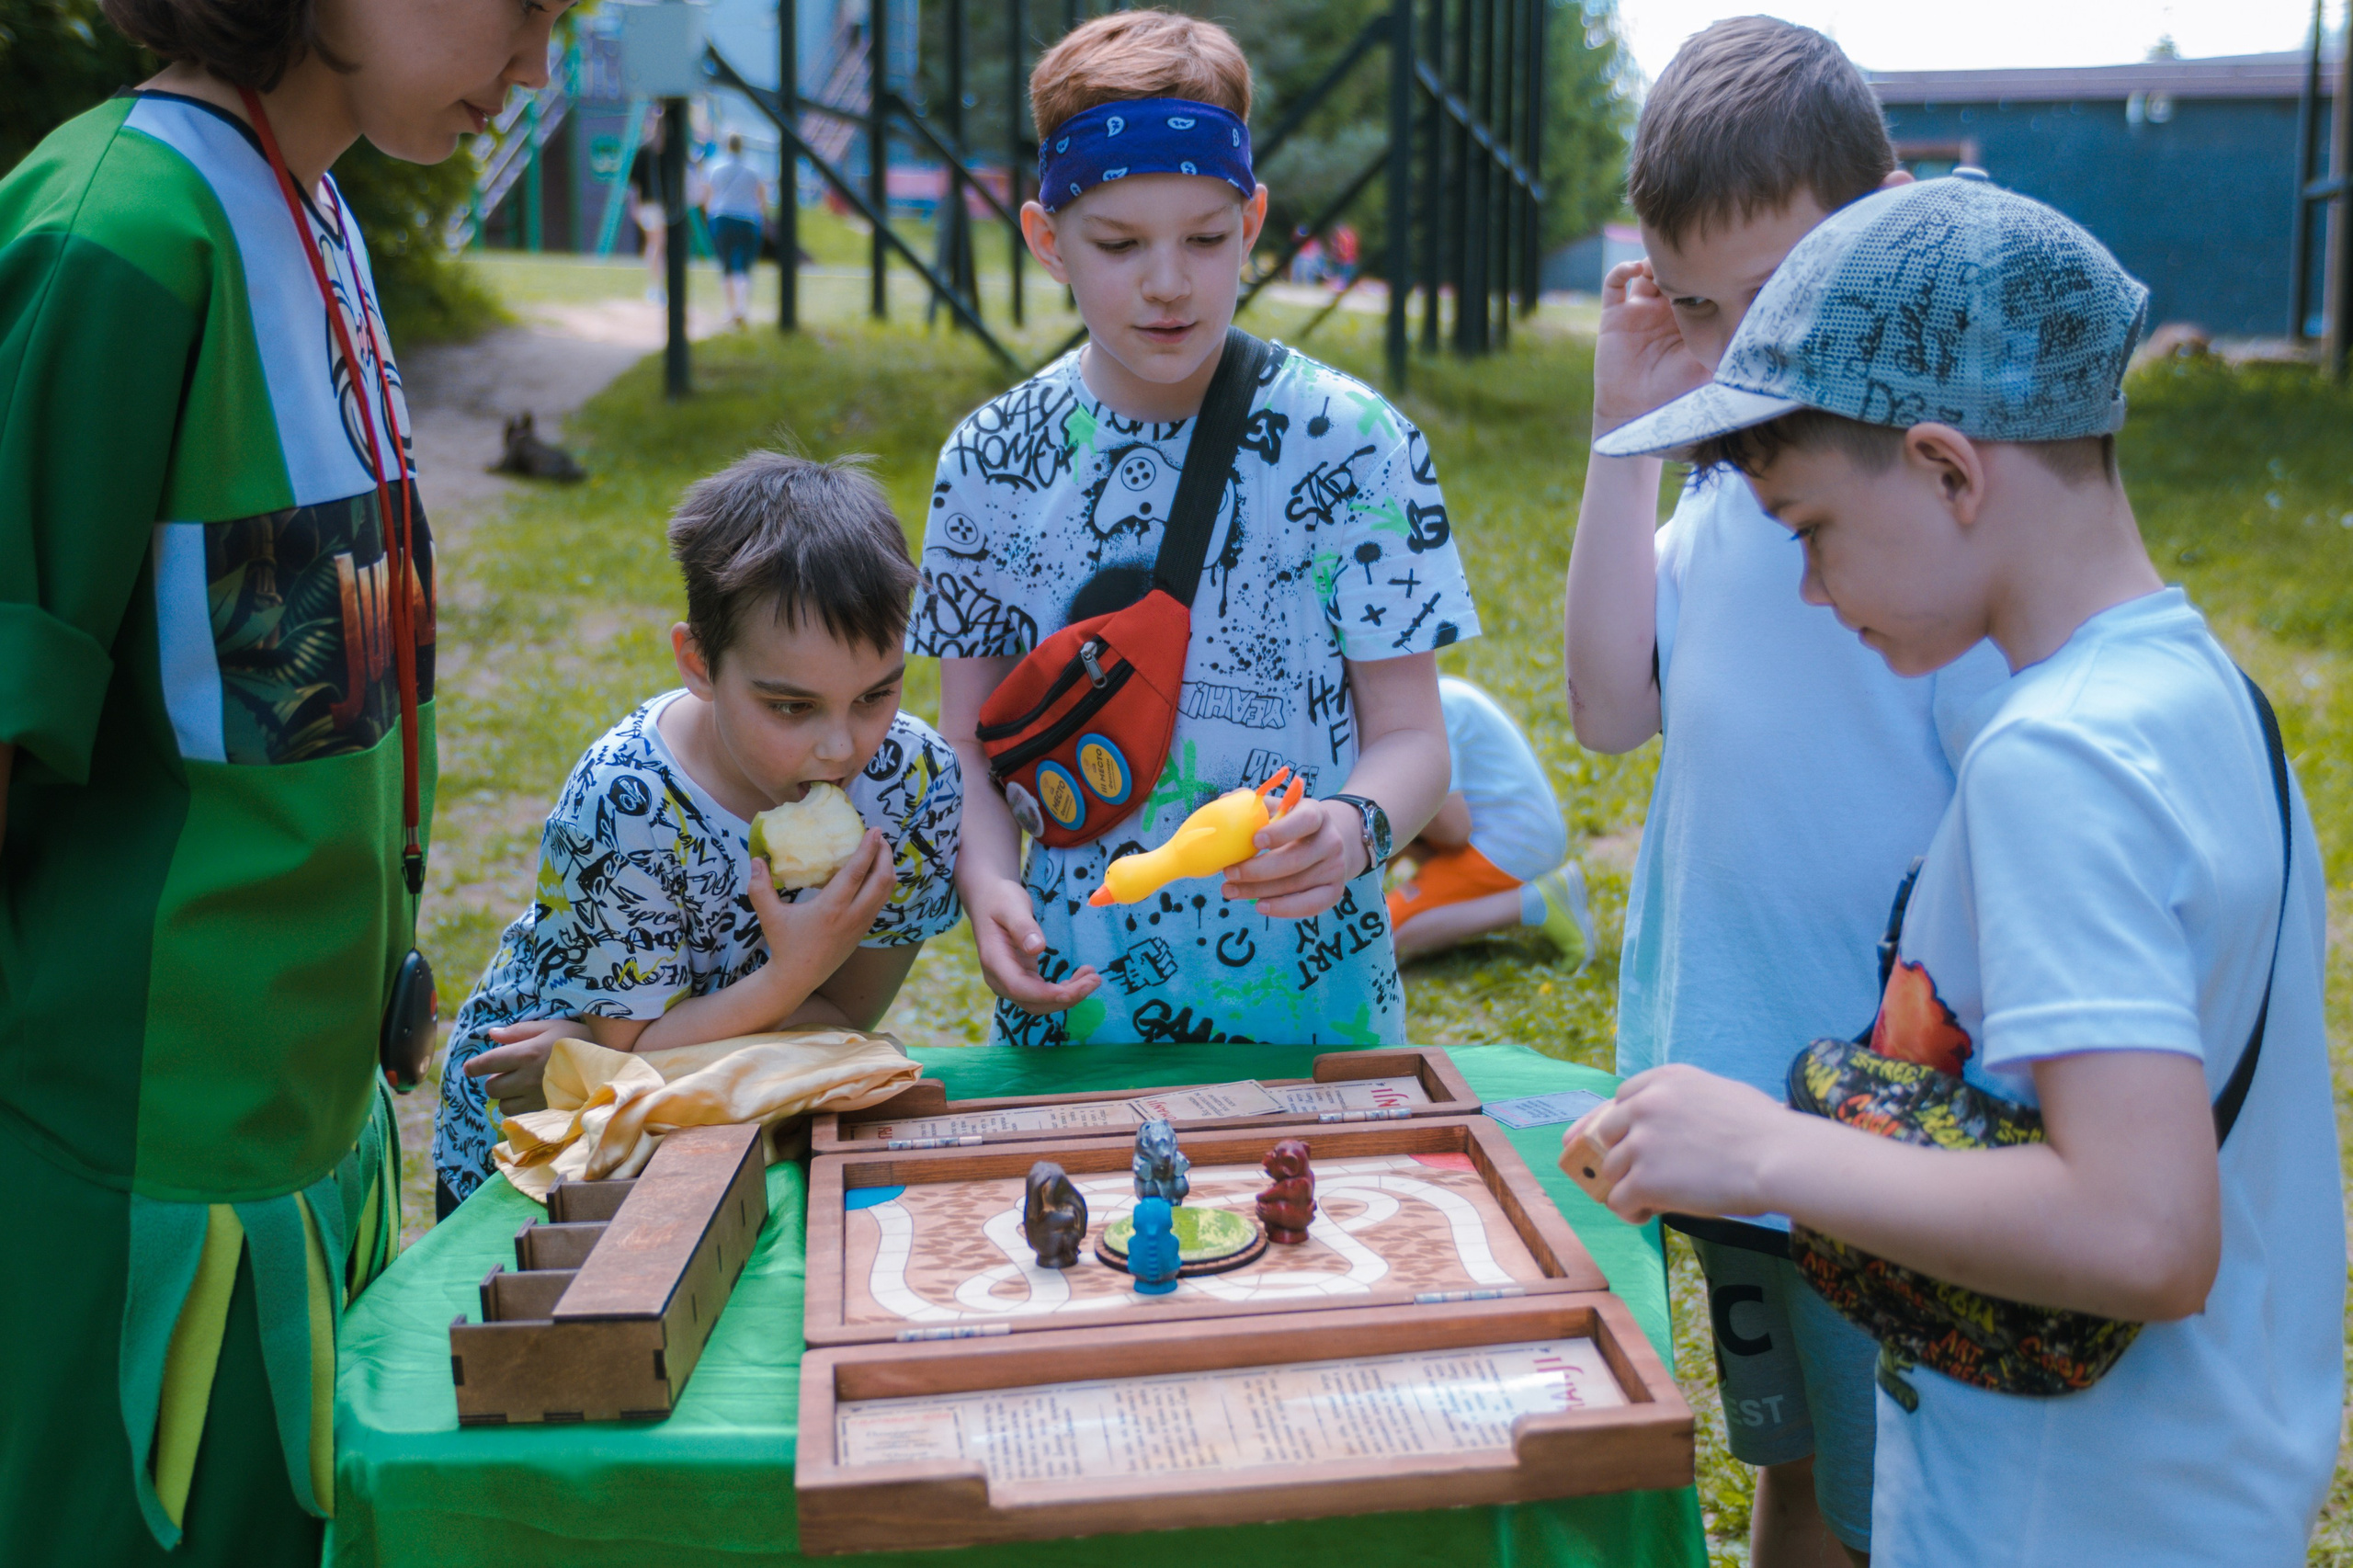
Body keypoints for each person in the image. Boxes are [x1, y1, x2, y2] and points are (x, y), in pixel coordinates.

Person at [1573, 175, 2344, 1567]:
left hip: (2061, 1517)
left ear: (1948, 470)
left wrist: (1764, 1148)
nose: (1811, 588)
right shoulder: (2200, 694)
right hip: (2196, 1488)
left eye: (1810, 527)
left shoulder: (2055, 762)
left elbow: (2146, 1230)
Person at [0, 0, 570, 1561]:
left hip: (315, 1159)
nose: (538, 62)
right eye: (519, 5)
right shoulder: (114, 232)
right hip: (136, 1193)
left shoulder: (314, 211)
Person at [1558, 20, 2009, 1565]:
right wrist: (1623, 430)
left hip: (1878, 1128)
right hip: (1722, 1097)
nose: (1741, 350)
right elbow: (1609, 707)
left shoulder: (1944, 499)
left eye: (1773, 296)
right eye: (1700, 309)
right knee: (1796, 1468)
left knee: (1892, 1504)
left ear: (1885, 219)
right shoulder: (1725, 473)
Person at [911, 8, 1474, 1049]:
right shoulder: (989, 461)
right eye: (1119, 243)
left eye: (1206, 239)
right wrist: (988, 881)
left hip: (1316, 1019)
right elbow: (966, 742)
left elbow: (1413, 738)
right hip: (1079, 1011)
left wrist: (1354, 828)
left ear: (1252, 222)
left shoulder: (1355, 443)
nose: (1168, 282)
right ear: (1046, 239)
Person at [431, 453, 962, 1210]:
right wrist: (791, 977)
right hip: (543, 1132)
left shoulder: (913, 786)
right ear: (699, 662)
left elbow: (843, 1022)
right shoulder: (625, 800)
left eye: (876, 696)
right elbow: (631, 1049)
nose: (842, 748)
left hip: (721, 1119)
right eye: (791, 707)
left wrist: (604, 1055)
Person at [1386, 676, 1590, 967]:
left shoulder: (1428, 714)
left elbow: (1454, 829)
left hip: (1510, 848)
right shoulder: (1429, 697)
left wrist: (1391, 811)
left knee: (1381, 934)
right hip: (1515, 835)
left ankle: (1536, 902)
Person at [704, 131, 767, 328]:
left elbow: (708, 194)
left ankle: (730, 309)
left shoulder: (714, 167)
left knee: (726, 266)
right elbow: (761, 196)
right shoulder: (754, 168)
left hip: (721, 218)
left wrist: (710, 215)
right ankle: (742, 308)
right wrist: (760, 216)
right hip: (748, 218)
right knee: (744, 267)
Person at [630, 108, 671, 303]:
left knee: (657, 245)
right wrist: (635, 207)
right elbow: (634, 185)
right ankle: (656, 286)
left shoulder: (667, 152)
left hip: (661, 206)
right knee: (657, 244)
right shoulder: (645, 152)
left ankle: (656, 286)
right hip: (651, 205)